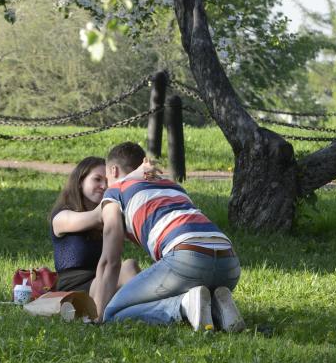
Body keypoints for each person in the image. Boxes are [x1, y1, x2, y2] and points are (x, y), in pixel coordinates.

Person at [93, 142, 245, 332]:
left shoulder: (115, 191)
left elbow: (110, 261)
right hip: (229, 265)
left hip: (187, 259)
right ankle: (219, 306)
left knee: (113, 312)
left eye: (106, 177)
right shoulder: (174, 187)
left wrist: (98, 316)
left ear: (113, 170)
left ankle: (182, 306)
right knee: (191, 285)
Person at [50, 156, 142, 296]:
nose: (104, 186)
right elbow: (96, 216)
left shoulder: (108, 217)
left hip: (103, 281)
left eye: (107, 181)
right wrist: (131, 179)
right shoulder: (61, 217)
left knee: (140, 270)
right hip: (74, 289)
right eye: (97, 179)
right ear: (80, 181)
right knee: (128, 268)